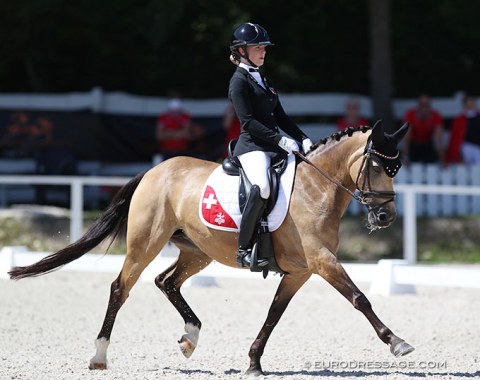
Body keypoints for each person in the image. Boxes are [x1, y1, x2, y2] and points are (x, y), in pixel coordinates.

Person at [228, 22, 313, 268]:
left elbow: (281, 116)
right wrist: (279, 139)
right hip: (252, 146)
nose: (263, 51)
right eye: (258, 47)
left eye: (264, 47)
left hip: (274, 145)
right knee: (262, 187)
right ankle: (244, 249)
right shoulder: (238, 82)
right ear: (242, 51)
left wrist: (301, 137)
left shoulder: (263, 77)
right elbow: (249, 123)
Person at [402, 94, 445, 164]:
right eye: (422, 105)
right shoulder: (410, 115)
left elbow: (438, 138)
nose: (424, 109)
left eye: (426, 106)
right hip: (413, 144)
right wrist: (405, 156)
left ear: (429, 106)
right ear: (418, 106)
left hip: (428, 144)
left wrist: (442, 158)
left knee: (432, 165)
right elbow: (407, 137)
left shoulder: (435, 116)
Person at [447, 94, 480, 165]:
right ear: (464, 104)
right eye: (469, 101)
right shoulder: (459, 120)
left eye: (472, 101)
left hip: (478, 147)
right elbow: (454, 138)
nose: (471, 103)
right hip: (465, 146)